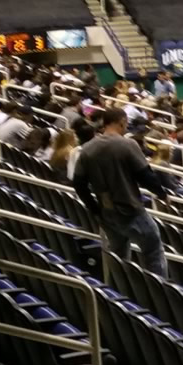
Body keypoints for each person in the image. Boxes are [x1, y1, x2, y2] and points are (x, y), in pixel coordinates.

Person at [72, 108, 169, 280]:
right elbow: (145, 175)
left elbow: (79, 184)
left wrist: (94, 209)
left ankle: (120, 293)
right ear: (122, 121)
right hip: (131, 209)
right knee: (153, 250)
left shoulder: (87, 149)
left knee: (117, 255)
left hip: (106, 212)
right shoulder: (127, 144)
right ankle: (160, 292)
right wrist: (161, 194)